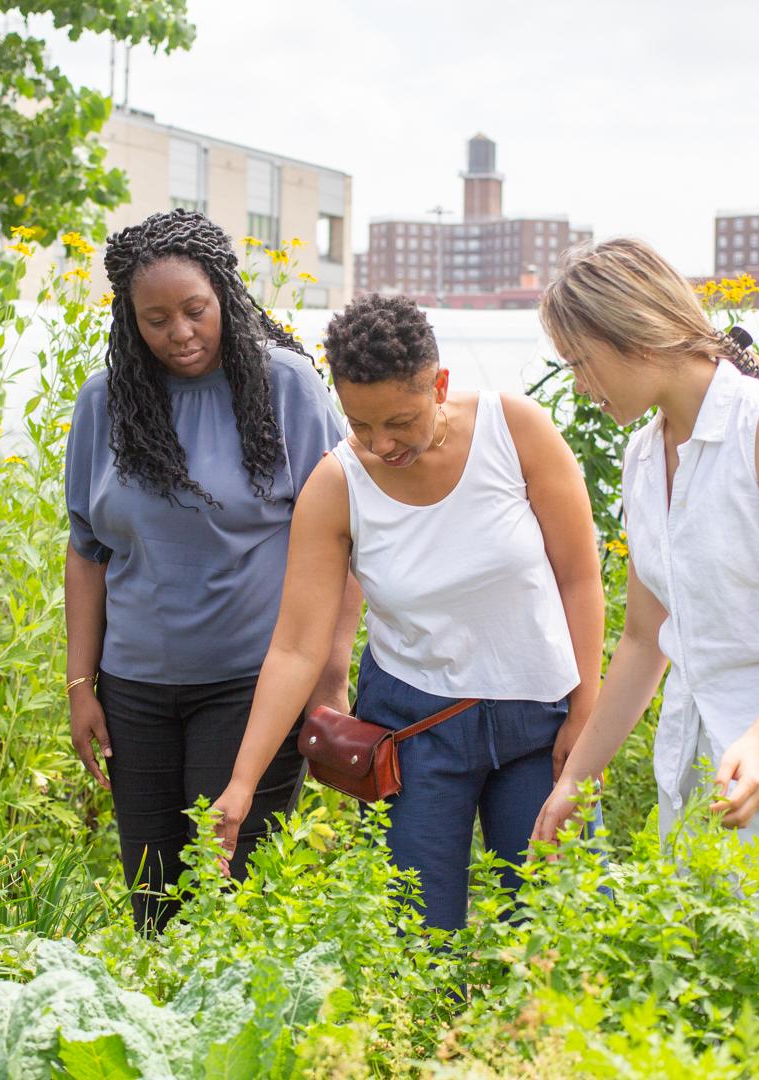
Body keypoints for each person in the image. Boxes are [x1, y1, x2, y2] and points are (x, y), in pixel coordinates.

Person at [213, 294, 605, 931]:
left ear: (440, 384)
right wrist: (241, 783)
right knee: (418, 941)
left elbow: (580, 579)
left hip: (540, 719)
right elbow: (294, 648)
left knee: (560, 924)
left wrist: (586, 712)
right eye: (360, 424)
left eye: (399, 420)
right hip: (417, 735)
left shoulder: (517, 431)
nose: (381, 443)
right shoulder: (336, 484)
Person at [531, 237, 759, 937]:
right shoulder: (641, 452)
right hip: (695, 777)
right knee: (714, 1010)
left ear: (633, 335)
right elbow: (642, 638)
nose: (577, 386)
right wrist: (578, 778)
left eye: (579, 363)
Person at [64, 210, 358, 933]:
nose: (181, 333)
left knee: (230, 905)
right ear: (130, 322)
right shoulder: (104, 405)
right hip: (133, 693)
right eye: (155, 319)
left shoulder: (286, 387)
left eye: (195, 311)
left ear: (224, 294)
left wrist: (330, 672)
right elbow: (85, 551)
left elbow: (346, 539)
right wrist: (79, 686)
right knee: (155, 906)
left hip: (253, 689)